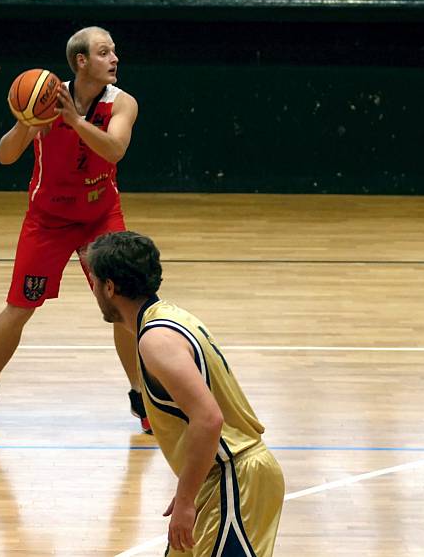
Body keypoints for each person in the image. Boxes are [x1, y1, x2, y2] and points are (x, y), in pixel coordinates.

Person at [0, 26, 151, 433]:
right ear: (81, 61)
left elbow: (114, 149)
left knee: (125, 309)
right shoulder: (44, 99)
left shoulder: (123, 103)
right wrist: (25, 122)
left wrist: (74, 120)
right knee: (20, 307)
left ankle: (141, 395)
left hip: (100, 218)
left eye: (114, 50)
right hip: (48, 220)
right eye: (104, 52)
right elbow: (5, 156)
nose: (115, 58)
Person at [86, 230, 285, 555]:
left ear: (110, 287)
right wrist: (188, 486)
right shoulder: (168, 317)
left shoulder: (156, 340)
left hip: (235, 477)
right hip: (216, 477)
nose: (93, 289)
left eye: (94, 281)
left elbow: (208, 418)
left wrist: (186, 499)